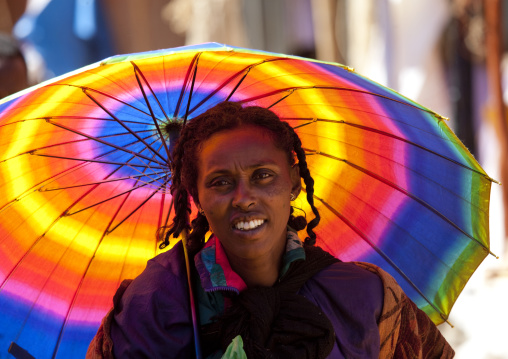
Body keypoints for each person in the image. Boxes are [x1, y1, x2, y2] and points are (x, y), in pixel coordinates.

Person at [87, 101, 454, 358]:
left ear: (294, 183)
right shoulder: (157, 301)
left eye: (263, 176)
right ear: (196, 196)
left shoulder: (364, 298)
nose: (244, 198)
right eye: (220, 182)